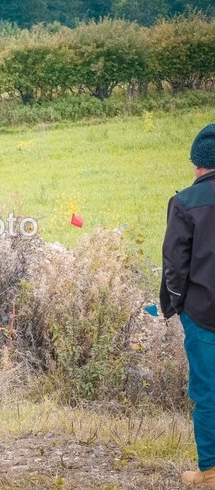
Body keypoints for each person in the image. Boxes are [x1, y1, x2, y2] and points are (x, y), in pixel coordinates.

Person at [160, 124, 215, 485]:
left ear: (198, 164)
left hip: (203, 314)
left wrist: (174, 307)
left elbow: (174, 266)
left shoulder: (186, 203)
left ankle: (210, 470)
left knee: (208, 392)